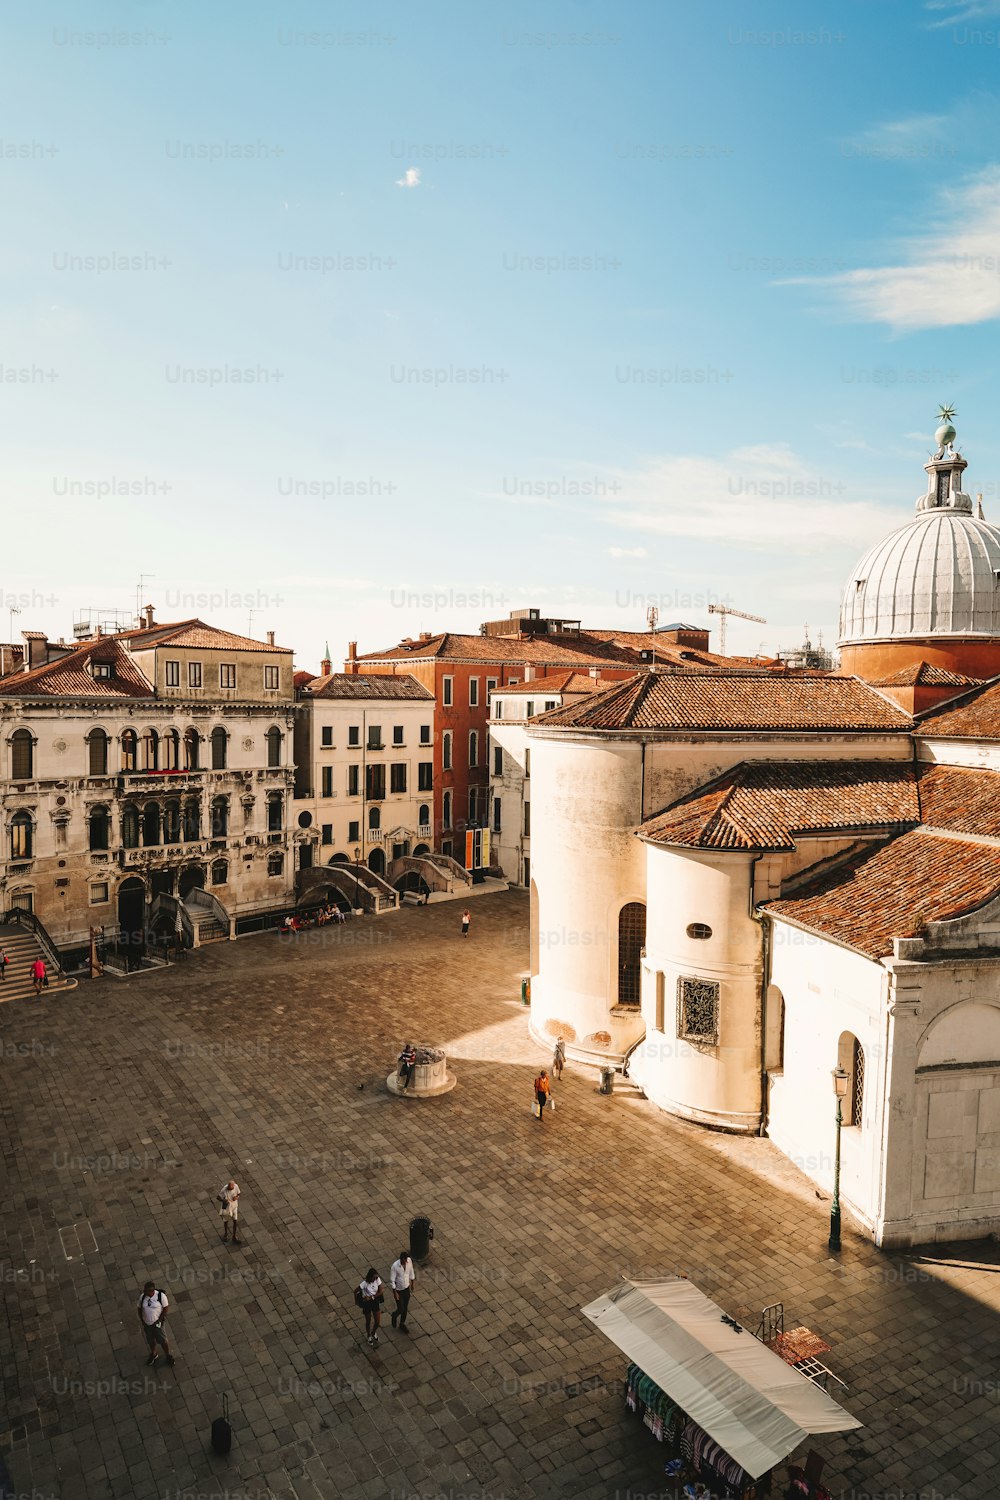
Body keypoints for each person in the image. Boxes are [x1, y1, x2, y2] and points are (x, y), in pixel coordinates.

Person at [138, 1281, 175, 1367]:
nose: (144, 1292)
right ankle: (154, 1354)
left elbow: (165, 1308)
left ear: (152, 1291)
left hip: (157, 1324)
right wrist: (142, 1319)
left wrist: (159, 1320)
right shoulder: (143, 1297)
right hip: (147, 1324)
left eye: (146, 1291)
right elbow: (139, 1308)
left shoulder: (161, 1297)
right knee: (150, 1340)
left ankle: (168, 1355)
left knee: (163, 1340)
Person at [390, 1250, 416, 1334]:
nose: (406, 1262)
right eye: (405, 1260)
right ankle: (394, 1315)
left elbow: (411, 1272)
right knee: (401, 1308)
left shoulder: (409, 1261)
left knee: (405, 1308)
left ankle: (402, 1323)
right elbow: (392, 1280)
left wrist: (412, 1284)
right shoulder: (395, 1266)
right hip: (399, 1290)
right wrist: (395, 1293)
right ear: (401, 1259)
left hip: (406, 1288)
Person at [359, 1267, 383, 1345]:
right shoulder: (364, 1283)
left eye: (376, 1277)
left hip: (374, 1301)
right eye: (374, 1277)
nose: (375, 1279)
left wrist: (372, 1297)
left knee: (377, 1321)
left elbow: (380, 1291)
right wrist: (357, 1301)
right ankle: (369, 1335)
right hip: (367, 1304)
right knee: (368, 1321)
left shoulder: (377, 1279)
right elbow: (356, 1291)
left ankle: (373, 1332)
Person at [218, 1179, 241, 1243]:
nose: (230, 1190)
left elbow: (239, 1193)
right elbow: (218, 1197)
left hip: (234, 1206)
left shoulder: (236, 1186)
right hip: (227, 1207)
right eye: (229, 1188)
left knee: (235, 1221)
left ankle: (234, 1236)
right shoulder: (224, 1190)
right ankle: (225, 1234)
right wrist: (224, 1200)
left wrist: (236, 1197)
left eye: (231, 1189)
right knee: (226, 1221)